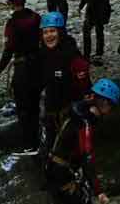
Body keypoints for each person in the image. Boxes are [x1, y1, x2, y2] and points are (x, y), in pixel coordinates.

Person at [43, 78, 120, 204]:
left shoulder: (79, 112)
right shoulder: (84, 122)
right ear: (104, 103)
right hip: (61, 173)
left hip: (55, 169)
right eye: (111, 105)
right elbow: (87, 158)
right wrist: (98, 190)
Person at [0, 0, 43, 149]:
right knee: (35, 106)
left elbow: (8, 51)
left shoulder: (12, 24)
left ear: (11, 1)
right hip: (37, 66)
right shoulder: (36, 17)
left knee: (23, 109)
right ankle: (38, 139)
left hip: (22, 69)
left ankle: (29, 145)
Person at [34, 12, 91, 150]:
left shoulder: (72, 56)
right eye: (45, 32)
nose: (49, 36)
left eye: (53, 31)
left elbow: (85, 86)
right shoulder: (43, 54)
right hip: (51, 110)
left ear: (60, 32)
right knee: (50, 148)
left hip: (70, 111)